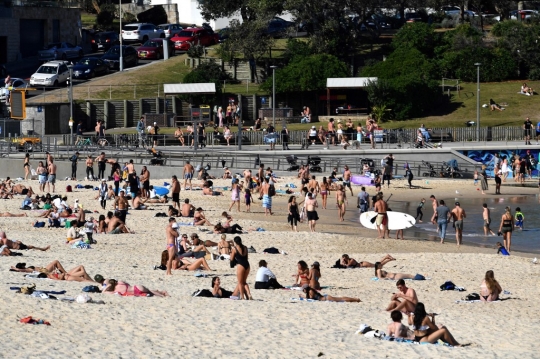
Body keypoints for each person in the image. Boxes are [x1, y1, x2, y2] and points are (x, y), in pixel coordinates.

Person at [102, 278, 168, 297]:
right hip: (136, 287)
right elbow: (128, 284)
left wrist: (108, 286)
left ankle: (161, 295)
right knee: (150, 291)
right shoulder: (120, 282)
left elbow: (103, 291)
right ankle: (161, 293)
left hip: (135, 292)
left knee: (151, 292)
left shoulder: (115, 291)